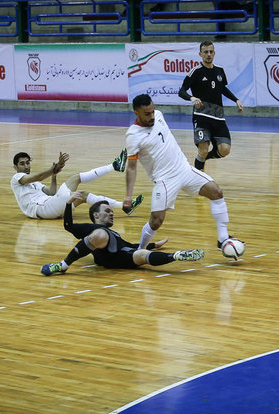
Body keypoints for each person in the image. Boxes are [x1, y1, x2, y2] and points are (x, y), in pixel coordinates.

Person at [123, 93, 242, 254]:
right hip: (164, 180)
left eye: (152, 111)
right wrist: (128, 196)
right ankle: (140, 251)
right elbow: (131, 167)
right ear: (136, 112)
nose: (151, 116)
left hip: (184, 169)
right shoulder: (133, 135)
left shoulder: (158, 115)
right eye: (147, 114)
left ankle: (223, 239)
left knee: (216, 192)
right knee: (156, 221)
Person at [40, 191, 204, 276]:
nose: (112, 214)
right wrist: (68, 203)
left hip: (119, 258)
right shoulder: (90, 229)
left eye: (112, 211)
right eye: (107, 211)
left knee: (140, 254)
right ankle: (63, 265)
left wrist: (154, 245)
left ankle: (176, 256)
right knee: (100, 235)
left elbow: (129, 246)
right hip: (104, 254)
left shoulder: (115, 235)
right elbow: (68, 226)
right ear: (96, 215)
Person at [11, 150, 144, 219]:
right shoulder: (17, 178)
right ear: (15, 167)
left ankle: (124, 206)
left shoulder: (35, 183)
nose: (26, 166)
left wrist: (54, 175)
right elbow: (38, 176)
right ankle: (113, 166)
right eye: (22, 164)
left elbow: (51, 192)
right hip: (43, 209)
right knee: (76, 178)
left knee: (83, 196)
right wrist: (54, 168)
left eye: (28, 162)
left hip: (50, 207)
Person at [179, 40, 243, 171]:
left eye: (211, 52)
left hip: (218, 117)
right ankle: (199, 178)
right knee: (202, 149)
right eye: (205, 52)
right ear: (200, 54)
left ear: (214, 53)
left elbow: (222, 89)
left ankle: (202, 159)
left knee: (224, 150)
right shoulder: (195, 72)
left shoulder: (219, 71)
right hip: (201, 116)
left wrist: (236, 100)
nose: (209, 54)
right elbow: (181, 91)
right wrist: (192, 98)